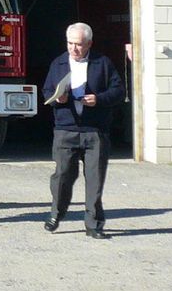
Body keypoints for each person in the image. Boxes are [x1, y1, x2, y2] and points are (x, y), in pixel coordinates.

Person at [42, 22, 125, 239]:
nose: (74, 49)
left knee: (95, 179)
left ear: (89, 43)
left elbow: (118, 91)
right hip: (65, 129)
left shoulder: (103, 63)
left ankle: (94, 225)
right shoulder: (58, 63)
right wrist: (57, 98)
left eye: (78, 44)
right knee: (62, 176)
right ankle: (56, 214)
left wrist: (98, 99)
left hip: (95, 131)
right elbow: (47, 90)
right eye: (70, 43)